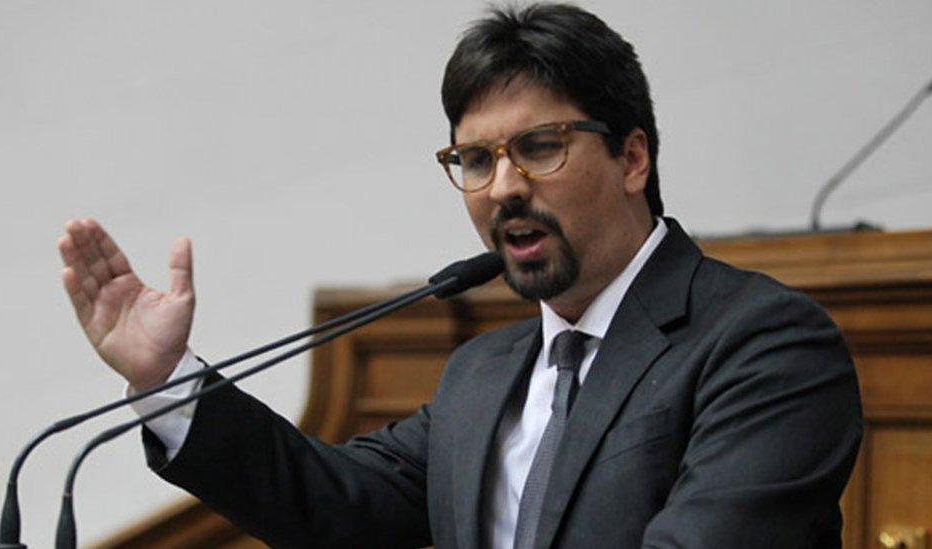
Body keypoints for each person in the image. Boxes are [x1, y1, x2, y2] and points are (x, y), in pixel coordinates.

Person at [57, 4, 862, 548]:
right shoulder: (483, 373)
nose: (504, 186)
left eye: (539, 147)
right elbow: (333, 505)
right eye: (475, 160)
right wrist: (167, 380)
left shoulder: (763, 344)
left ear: (632, 156)